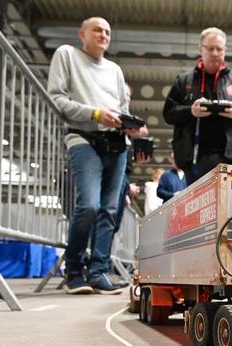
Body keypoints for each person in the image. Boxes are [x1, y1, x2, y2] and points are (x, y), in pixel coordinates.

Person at [48, 17, 146, 295]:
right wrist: (94, 113)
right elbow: (57, 98)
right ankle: (74, 268)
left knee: (110, 211)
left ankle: (98, 270)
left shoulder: (114, 70)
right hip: (83, 138)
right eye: (97, 30)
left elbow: (122, 108)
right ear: (82, 34)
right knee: (88, 206)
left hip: (117, 144)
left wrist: (133, 127)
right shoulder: (67, 55)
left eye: (107, 31)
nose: (103, 35)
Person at [163, 27, 232, 184]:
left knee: (228, 208)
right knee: (198, 207)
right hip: (194, 158)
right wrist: (191, 111)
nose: (215, 53)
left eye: (219, 49)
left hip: (231, 159)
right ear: (200, 49)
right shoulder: (184, 81)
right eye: (210, 48)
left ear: (225, 50)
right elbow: (168, 114)